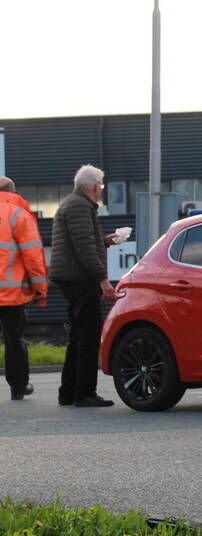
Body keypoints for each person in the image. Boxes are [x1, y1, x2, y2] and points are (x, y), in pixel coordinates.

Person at [50, 165, 118, 408]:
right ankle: (84, 393)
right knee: (88, 337)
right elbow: (84, 248)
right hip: (80, 279)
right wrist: (103, 280)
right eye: (101, 185)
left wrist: (104, 242)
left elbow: (82, 242)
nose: (101, 190)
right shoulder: (79, 206)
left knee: (78, 336)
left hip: (72, 277)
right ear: (94, 186)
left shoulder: (73, 203)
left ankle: (68, 392)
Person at [0, 176, 48, 401]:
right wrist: (40, 290)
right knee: (14, 341)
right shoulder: (18, 215)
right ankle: (18, 386)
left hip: (10, 292)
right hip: (11, 294)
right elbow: (33, 257)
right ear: (14, 191)